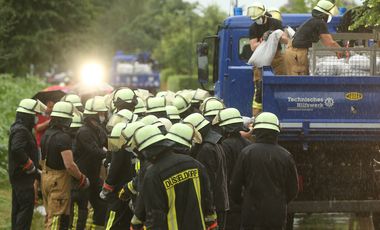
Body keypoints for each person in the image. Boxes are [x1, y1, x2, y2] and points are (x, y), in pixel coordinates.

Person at [131, 125, 217, 229]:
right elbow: (208, 199)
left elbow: (156, 217)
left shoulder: (153, 175)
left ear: (145, 150)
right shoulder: (194, 163)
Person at [230, 112, 299, 230]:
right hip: (276, 216)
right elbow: (293, 188)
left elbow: (235, 186)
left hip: (250, 215)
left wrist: (244, 202)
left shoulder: (246, 153)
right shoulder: (285, 156)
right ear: (276, 132)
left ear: (256, 131)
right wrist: (279, 202)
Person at [41, 101, 90, 229]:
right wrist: (81, 178)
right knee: (58, 217)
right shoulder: (63, 138)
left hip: (46, 177)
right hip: (59, 181)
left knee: (50, 215)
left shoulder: (46, 134)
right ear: (64, 119)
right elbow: (69, 165)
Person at [183, 113, 229, 229]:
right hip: (220, 202)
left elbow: (206, 182)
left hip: (213, 205)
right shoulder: (214, 144)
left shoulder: (206, 150)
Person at [8, 99, 46, 230]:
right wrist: (29, 165)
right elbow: (17, 149)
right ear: (27, 115)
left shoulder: (20, 128)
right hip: (22, 178)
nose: (36, 118)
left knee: (18, 209)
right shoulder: (21, 131)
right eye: (34, 115)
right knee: (25, 210)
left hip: (19, 177)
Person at [212, 108, 252, 230]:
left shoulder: (224, 146)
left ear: (225, 127)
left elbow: (224, 175)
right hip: (247, 200)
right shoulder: (249, 144)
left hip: (230, 201)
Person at [247, 2, 288, 116]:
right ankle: (257, 117)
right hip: (260, 60)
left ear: (265, 14)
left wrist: (275, 35)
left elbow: (286, 40)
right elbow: (252, 46)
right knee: (259, 89)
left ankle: (282, 113)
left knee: (281, 84)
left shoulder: (276, 23)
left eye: (258, 18)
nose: (257, 20)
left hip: (277, 58)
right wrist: (263, 40)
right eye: (255, 19)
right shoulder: (253, 28)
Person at [74, 96, 109, 229]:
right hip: (82, 178)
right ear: (92, 115)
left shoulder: (98, 130)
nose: (103, 116)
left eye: (103, 113)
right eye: (100, 113)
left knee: (102, 206)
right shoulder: (84, 132)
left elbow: (106, 143)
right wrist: (109, 154)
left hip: (94, 177)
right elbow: (95, 151)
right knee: (82, 211)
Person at [284, 0, 342, 76]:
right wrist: (342, 51)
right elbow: (330, 43)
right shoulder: (319, 23)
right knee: (300, 81)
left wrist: (337, 50)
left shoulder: (313, 21)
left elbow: (326, 42)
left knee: (295, 81)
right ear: (324, 14)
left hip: (292, 51)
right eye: (329, 14)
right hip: (298, 53)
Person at [100, 122, 135, 229]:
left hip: (118, 191)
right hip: (130, 190)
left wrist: (107, 186)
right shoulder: (133, 148)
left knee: (112, 221)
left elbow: (115, 167)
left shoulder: (119, 148)